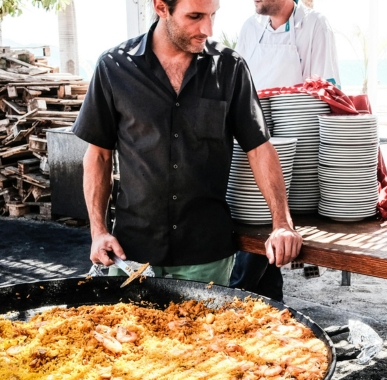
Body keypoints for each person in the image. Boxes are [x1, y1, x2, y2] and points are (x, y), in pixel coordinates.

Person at [73, 0, 303, 286]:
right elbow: (98, 156)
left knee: (207, 332)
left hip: (206, 253)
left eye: (212, 16)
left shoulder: (230, 68)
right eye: (194, 16)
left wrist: (282, 223)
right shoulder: (114, 67)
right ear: (161, 8)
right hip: (131, 251)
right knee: (128, 332)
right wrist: (98, 231)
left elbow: (259, 149)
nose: (206, 28)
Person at [229, 0, 340, 301]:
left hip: (297, 147)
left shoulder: (315, 24)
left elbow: (323, 91)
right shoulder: (250, 27)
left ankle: (239, 298)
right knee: (256, 226)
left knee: (267, 229)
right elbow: (239, 84)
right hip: (255, 144)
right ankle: (268, 306)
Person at [235, 0, 340, 90]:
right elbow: (237, 85)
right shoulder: (250, 27)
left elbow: (326, 92)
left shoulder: (316, 25)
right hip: (254, 113)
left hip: (300, 113)